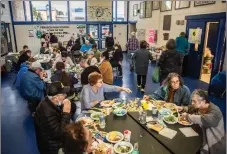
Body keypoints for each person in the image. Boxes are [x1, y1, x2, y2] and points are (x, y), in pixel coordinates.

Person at [176, 89, 226, 154]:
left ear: (203, 102)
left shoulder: (216, 112)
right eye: (192, 101)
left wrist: (187, 116)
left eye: (194, 101)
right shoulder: (201, 106)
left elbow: (204, 119)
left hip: (213, 142)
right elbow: (192, 107)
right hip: (200, 134)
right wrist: (182, 108)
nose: (192, 103)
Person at [34, 82, 72, 154]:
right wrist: (66, 113)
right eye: (63, 94)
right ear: (55, 98)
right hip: (51, 146)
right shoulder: (46, 112)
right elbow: (58, 134)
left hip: (54, 137)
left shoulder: (52, 102)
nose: (66, 95)